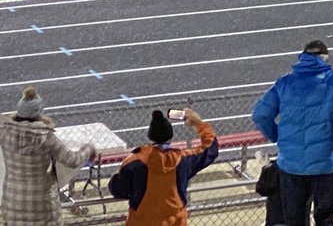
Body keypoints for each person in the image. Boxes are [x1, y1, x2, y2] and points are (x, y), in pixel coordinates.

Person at [252, 40, 333, 226]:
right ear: (325, 58)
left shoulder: (285, 83)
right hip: (326, 162)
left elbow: (260, 114)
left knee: (294, 219)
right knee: (325, 218)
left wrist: (277, 136)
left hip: (291, 163)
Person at [1, 87, 96, 226]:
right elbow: (72, 160)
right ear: (39, 113)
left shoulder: (4, 133)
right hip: (43, 207)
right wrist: (88, 149)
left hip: (13, 204)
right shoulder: (46, 137)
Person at [109, 108, 218, 226]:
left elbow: (118, 190)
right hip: (175, 221)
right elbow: (210, 149)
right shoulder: (184, 160)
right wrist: (198, 123)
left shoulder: (134, 161)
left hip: (142, 221)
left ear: (151, 136)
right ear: (170, 137)